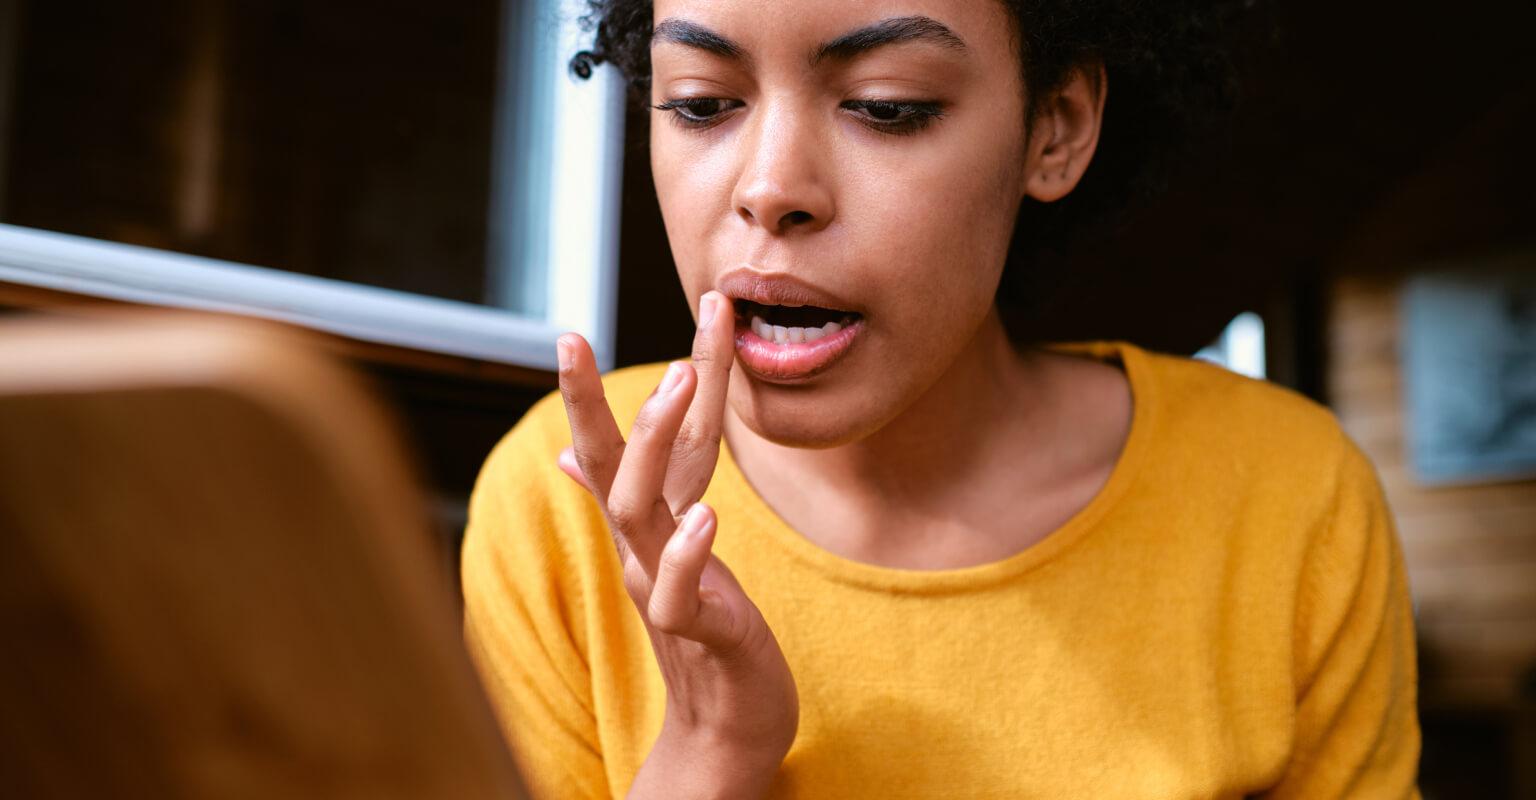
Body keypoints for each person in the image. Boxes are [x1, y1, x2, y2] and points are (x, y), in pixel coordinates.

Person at [460, 1, 1422, 797]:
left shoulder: (1286, 493)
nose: (770, 188)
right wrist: (708, 749)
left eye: (887, 106)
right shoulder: (560, 506)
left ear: (1057, 128)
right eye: (704, 103)